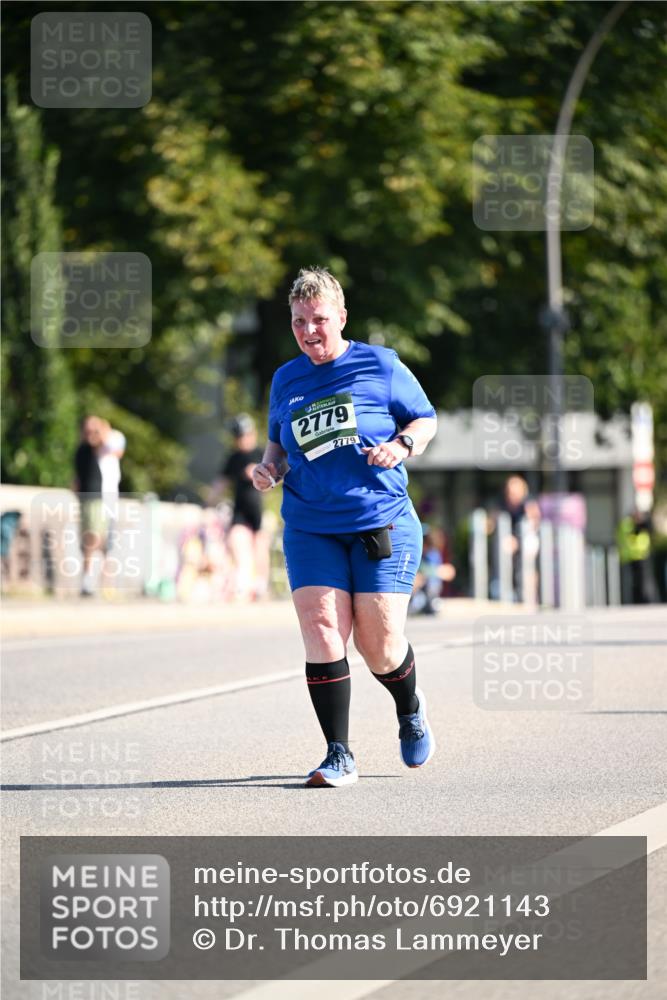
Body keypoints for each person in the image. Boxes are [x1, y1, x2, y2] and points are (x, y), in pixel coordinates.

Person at [252, 266, 438, 787]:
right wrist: (269, 469)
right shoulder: (286, 379)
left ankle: (409, 705)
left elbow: (425, 420)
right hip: (310, 524)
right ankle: (339, 754)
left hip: (381, 520)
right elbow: (279, 444)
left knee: (378, 644)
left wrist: (401, 445)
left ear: (342, 318)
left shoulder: (381, 365)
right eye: (299, 322)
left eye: (319, 320)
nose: (310, 331)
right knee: (322, 627)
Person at [210, 415, 270, 600]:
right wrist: (209, 500)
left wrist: (257, 474)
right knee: (236, 542)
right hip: (239, 510)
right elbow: (222, 481)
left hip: (257, 509)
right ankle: (242, 583)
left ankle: (260, 585)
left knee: (260, 546)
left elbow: (271, 481)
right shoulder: (234, 457)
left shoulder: (261, 453)